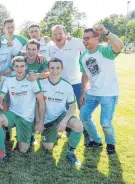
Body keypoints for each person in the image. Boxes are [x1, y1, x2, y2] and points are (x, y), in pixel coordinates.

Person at [79, 25, 124, 155]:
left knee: (105, 122)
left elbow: (120, 46)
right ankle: (97, 140)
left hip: (109, 93)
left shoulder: (105, 51)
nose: (84, 41)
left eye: (87, 38)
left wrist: (106, 32)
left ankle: (110, 144)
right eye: (83, 38)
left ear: (97, 38)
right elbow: (85, 75)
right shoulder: (83, 57)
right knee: (83, 116)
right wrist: (83, 92)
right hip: (93, 92)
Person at [0, 56, 45, 163]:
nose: (19, 69)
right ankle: (1, 151)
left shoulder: (31, 80)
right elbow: (1, 96)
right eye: (16, 66)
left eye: (22, 66)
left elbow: (41, 101)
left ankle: (27, 135)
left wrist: (40, 121)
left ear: (26, 67)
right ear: (13, 67)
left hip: (26, 118)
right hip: (13, 114)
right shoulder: (9, 81)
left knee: (23, 150)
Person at [39, 57, 84, 166]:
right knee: (48, 147)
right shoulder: (41, 83)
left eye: (58, 68)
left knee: (78, 125)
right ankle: (53, 133)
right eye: (52, 68)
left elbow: (73, 107)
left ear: (62, 68)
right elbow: (37, 104)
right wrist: (39, 121)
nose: (55, 71)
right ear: (48, 68)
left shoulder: (67, 85)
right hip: (46, 119)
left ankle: (70, 152)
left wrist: (64, 121)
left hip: (60, 115)